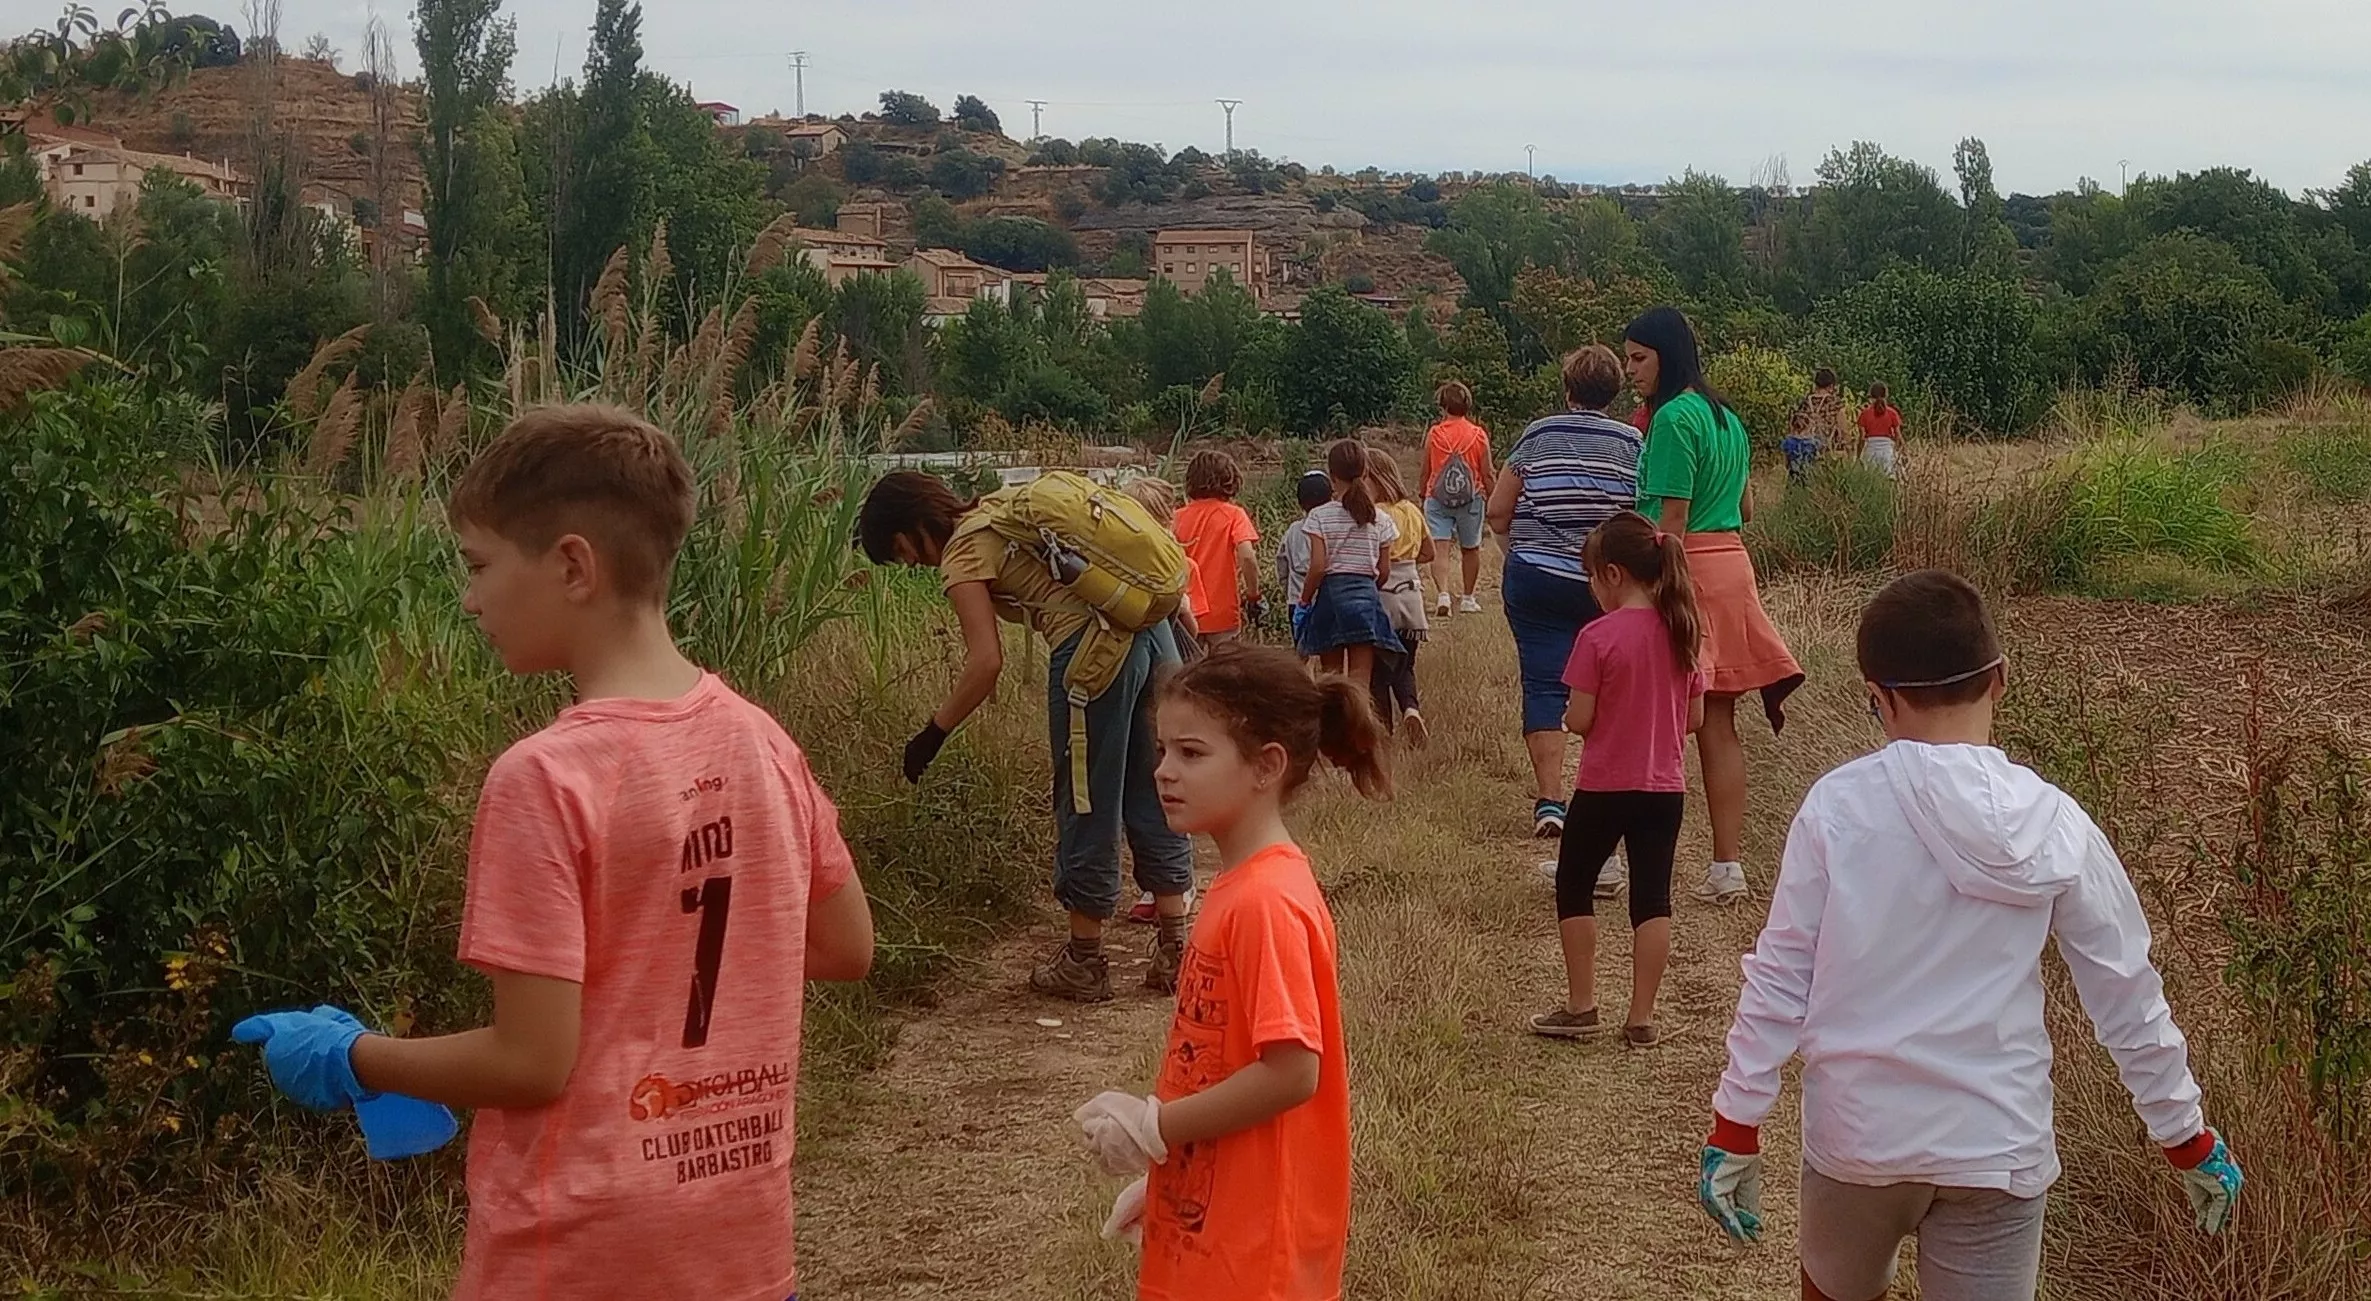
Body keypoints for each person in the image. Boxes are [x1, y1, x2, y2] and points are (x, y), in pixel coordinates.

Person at [233, 406, 878, 1301]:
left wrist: (353, 1057)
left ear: (573, 564)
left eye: (480, 565)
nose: (469, 599)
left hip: (578, 1252)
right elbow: (848, 948)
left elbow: (532, 1061)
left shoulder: (544, 777)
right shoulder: (763, 740)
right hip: (738, 1244)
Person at [1699, 570, 2243, 1301]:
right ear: (1999, 679)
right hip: (1998, 1146)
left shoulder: (1837, 807)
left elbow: (1780, 974)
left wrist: (1737, 1122)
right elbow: (2125, 993)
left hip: (1860, 1140)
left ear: (1877, 695)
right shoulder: (2056, 823)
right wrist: (2186, 1135)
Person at [1070, 643, 1387, 1300]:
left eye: (1191, 753)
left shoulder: (1265, 901)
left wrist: (1155, 1127)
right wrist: (1172, 1180)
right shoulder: (1236, 887)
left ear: (1265, 765)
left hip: (1252, 1254)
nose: (1163, 771)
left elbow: (1292, 1070)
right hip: (1219, 1222)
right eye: (1161, 750)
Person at [858, 471, 1195, 1002]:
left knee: (1084, 798)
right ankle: (1177, 948)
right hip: (1148, 635)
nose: (910, 563)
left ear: (910, 524)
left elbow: (984, 664)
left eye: (900, 550)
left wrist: (933, 732)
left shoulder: (962, 552)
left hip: (1093, 657)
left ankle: (1084, 959)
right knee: (1156, 783)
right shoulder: (1003, 508)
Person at [1624, 306, 1804, 903]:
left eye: (1639, 358)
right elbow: (1747, 510)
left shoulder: (1673, 417)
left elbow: (1669, 520)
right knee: (1719, 723)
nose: (1631, 370)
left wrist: (1648, 590)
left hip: (1686, 571)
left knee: (1657, 722)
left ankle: (1629, 862)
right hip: (1732, 565)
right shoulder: (1727, 416)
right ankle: (1728, 865)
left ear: (1665, 356)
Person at [1531, 512, 1704, 1047]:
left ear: (1611, 574)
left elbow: (1578, 719)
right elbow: (1695, 720)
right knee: (1653, 897)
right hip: (1664, 788)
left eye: (1590, 577)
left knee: (1574, 882)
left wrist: (1576, 714)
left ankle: (1582, 1005)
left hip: (1605, 784)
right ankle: (1642, 1017)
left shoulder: (1598, 636)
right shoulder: (1685, 629)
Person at [1485, 345, 1643, 839]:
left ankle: (1551, 800)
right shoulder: (1633, 443)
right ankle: (1607, 791)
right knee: (1612, 686)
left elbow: (1497, 510)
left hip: (1537, 577)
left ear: (1567, 388)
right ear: (1616, 390)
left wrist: (1518, 553)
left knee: (1543, 682)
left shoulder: (1538, 434)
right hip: (1609, 582)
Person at [1295, 439, 1403, 686]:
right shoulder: (1381, 519)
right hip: (1365, 599)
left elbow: (1318, 567)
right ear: (1365, 472)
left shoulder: (1319, 516)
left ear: (1332, 476)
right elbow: (1384, 570)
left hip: (1330, 601)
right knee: (1359, 683)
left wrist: (1304, 601)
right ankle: (1359, 723)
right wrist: (1368, 589)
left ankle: (1335, 724)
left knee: (1330, 682)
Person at [1364, 446, 1436, 744]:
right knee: (1405, 664)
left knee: (1378, 672)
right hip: (1412, 596)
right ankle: (1411, 708)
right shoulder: (1411, 510)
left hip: (1383, 597)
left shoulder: (1374, 515)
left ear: (1372, 479)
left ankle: (1384, 734)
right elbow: (1429, 552)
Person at [1173, 451, 1264, 645]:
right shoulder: (1234, 515)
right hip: (1223, 613)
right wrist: (1253, 595)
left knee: (1190, 671)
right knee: (1226, 672)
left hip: (1187, 611)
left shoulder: (1176, 518)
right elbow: (1247, 556)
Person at [1422, 381, 1496, 615]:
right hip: (1471, 497)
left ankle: (1443, 594)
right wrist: (1492, 496)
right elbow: (1487, 472)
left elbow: (1426, 467)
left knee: (1440, 547)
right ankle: (1468, 598)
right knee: (1470, 548)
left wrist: (1423, 490)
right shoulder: (1478, 434)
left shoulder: (1435, 434)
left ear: (1443, 406)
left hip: (1438, 496)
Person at [1123, 474, 1204, 663]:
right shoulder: (1182, 567)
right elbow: (1192, 630)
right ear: (1169, 518)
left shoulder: (1113, 563)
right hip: (1164, 666)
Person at [1275, 469, 1335, 652]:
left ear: (1301, 502)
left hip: (1297, 600)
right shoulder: (1332, 528)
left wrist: (1288, 591)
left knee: (1302, 653)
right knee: (1329, 654)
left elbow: (1282, 563)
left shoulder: (1293, 530)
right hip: (1327, 600)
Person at [1781, 368, 1846, 486]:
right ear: (1831, 386)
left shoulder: (1804, 403)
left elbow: (1793, 428)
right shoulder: (1835, 405)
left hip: (1802, 454)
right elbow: (1844, 431)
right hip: (1826, 456)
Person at [1858, 382, 1904, 479]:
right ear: (1886, 396)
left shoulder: (1864, 414)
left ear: (1871, 397)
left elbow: (1862, 438)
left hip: (1871, 450)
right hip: (1887, 450)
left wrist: (1858, 455)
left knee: (1871, 479)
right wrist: (1899, 450)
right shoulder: (1892, 413)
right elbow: (1898, 436)